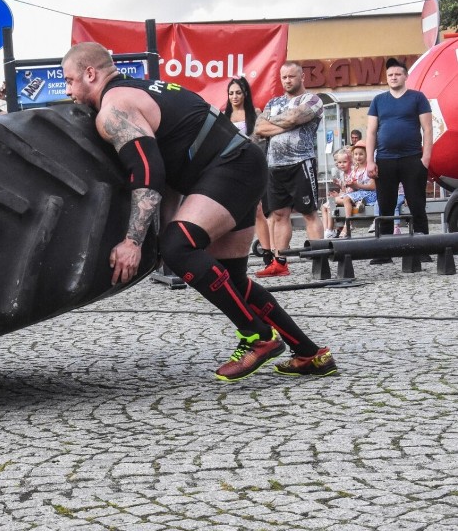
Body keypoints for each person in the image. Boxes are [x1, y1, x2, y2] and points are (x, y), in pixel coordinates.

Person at [61, 42, 337, 381]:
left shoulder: (114, 109)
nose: (68, 90)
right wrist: (161, 231)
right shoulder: (145, 88)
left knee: (179, 247)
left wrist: (133, 242)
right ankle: (310, 353)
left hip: (229, 170)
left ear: (91, 73)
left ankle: (257, 337)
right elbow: (174, 170)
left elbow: (149, 174)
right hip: (240, 166)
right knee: (230, 277)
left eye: (70, 80)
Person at [254, 61, 324, 277]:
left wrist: (275, 124)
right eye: (284, 77)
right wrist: (287, 123)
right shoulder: (274, 102)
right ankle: (280, 262)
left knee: (309, 212)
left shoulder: (312, 100)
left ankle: (320, 260)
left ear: (302, 76)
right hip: (274, 165)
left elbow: (295, 116)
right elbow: (259, 128)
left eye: (291, 76)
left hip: (301, 162)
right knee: (278, 214)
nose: (287, 81)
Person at [366, 57, 433, 238]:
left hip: (412, 159)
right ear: (386, 78)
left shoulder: (417, 97)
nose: (393, 77)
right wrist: (370, 161)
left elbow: (427, 129)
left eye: (397, 74)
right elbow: (371, 132)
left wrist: (425, 159)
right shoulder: (378, 100)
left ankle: (422, 248)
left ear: (405, 77)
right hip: (385, 160)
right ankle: (384, 251)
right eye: (390, 75)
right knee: (385, 205)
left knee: (417, 204)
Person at [224, 77, 272, 268]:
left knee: (258, 209)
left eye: (238, 92)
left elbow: (260, 141)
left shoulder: (256, 114)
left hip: (251, 165)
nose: (234, 96)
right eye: (231, 93)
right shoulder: (223, 116)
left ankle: (268, 253)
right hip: (230, 167)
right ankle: (230, 254)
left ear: (245, 94)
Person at [333, 141, 377, 238]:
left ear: (367, 154)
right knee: (335, 200)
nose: (358, 157)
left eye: (361, 154)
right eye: (356, 154)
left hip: (370, 194)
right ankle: (358, 203)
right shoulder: (355, 170)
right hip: (358, 193)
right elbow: (351, 186)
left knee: (346, 199)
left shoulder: (369, 168)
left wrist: (357, 185)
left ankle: (348, 224)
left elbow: (373, 187)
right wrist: (349, 185)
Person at [320, 148, 352, 239]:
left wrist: (339, 195)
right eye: (340, 162)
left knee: (331, 203)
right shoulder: (342, 174)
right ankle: (326, 230)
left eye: (344, 162)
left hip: (350, 197)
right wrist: (338, 192)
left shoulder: (351, 172)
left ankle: (330, 229)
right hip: (345, 196)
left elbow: (350, 190)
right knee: (324, 206)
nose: (342, 165)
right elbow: (344, 190)